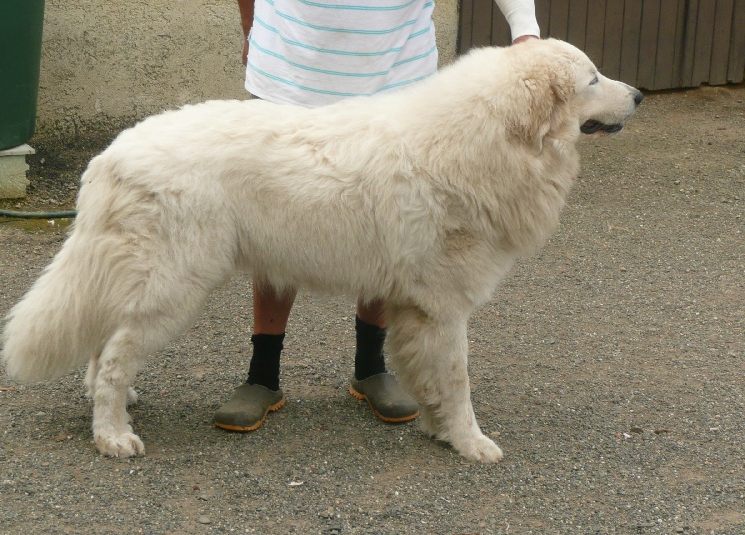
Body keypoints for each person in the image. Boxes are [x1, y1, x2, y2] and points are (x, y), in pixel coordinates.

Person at [214, 0, 540, 432]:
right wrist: (252, 26)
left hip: (398, 76)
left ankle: (371, 368)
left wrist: (525, 29)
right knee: (273, 220)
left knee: (390, 224)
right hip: (290, 72)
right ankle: (262, 375)